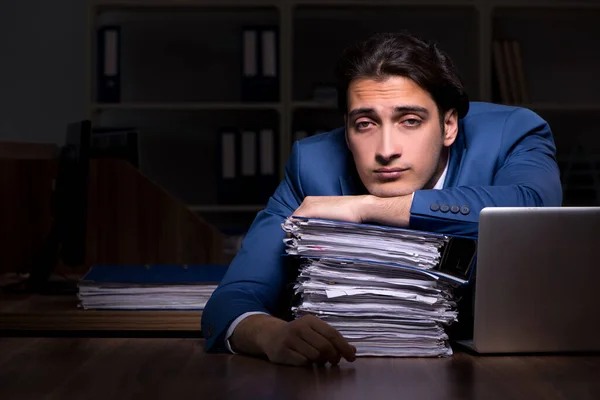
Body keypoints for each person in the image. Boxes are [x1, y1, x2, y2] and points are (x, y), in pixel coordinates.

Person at [201, 31, 562, 366]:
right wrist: (271, 335)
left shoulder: (511, 133)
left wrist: (368, 207)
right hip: (351, 371)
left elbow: (532, 208)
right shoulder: (312, 165)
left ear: (448, 125)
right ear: (346, 130)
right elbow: (230, 302)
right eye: (365, 124)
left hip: (495, 370)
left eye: (409, 120)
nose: (386, 151)